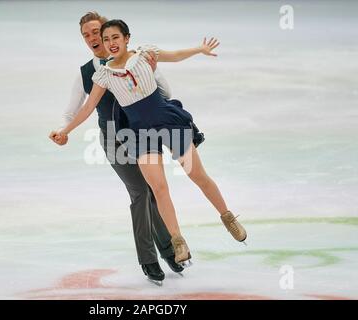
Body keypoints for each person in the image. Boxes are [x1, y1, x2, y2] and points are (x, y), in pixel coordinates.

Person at [53, 19, 248, 265]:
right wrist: (66, 130)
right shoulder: (104, 74)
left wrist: (200, 49)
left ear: (126, 38)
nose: (110, 43)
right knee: (159, 188)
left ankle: (227, 216)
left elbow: (175, 56)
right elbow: (88, 107)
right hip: (140, 134)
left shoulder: (145, 54)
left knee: (197, 175)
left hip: (168, 122)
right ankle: (178, 242)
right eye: (106, 40)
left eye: (115, 37)